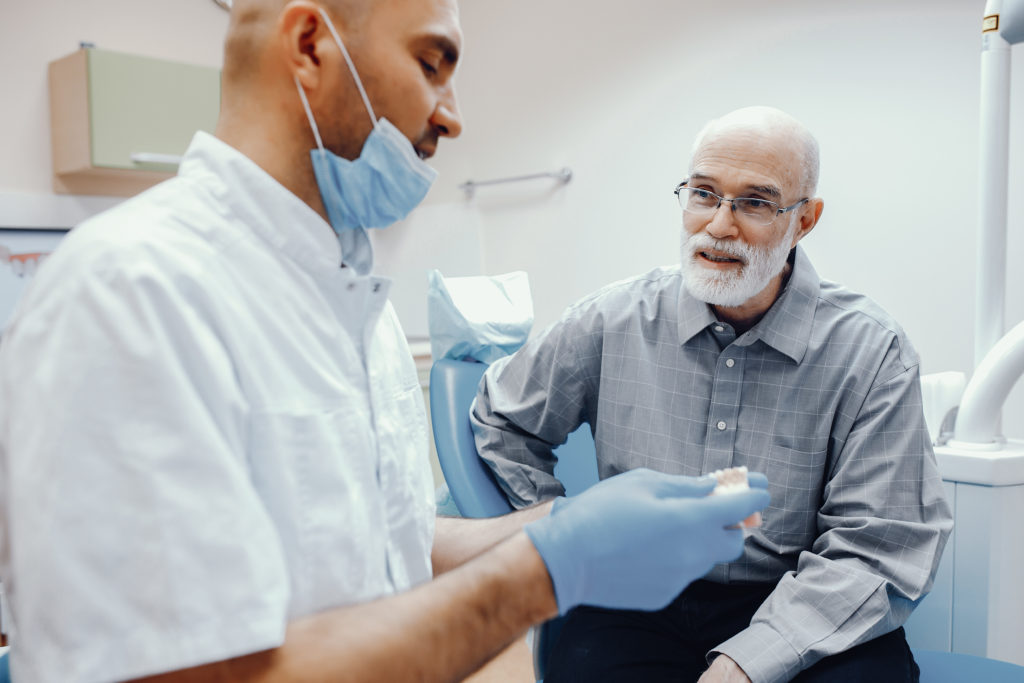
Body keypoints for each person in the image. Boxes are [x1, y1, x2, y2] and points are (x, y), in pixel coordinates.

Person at [0, 1, 771, 682]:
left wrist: (559, 524)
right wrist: (549, 570)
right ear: (310, 45)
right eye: (433, 63)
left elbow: (372, 542)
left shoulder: (344, 295)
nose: (452, 114)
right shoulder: (134, 293)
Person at [471, 106, 953, 683]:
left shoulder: (873, 352)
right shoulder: (611, 319)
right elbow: (503, 422)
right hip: (637, 598)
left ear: (805, 219)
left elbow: (880, 544)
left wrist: (749, 661)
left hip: (802, 595)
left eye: (754, 202)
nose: (719, 225)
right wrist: (569, 530)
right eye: (703, 194)